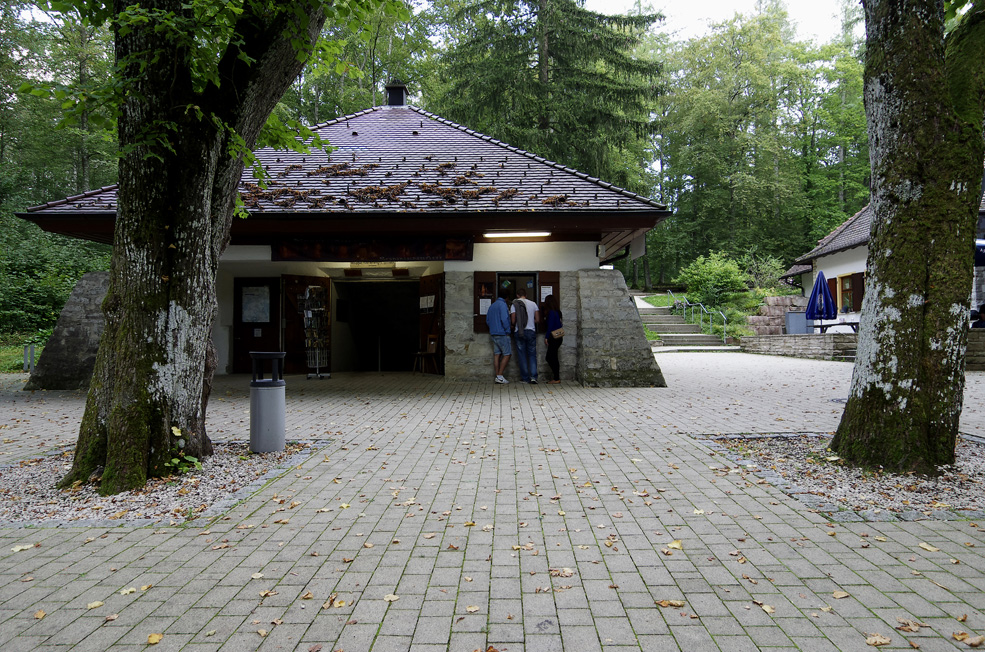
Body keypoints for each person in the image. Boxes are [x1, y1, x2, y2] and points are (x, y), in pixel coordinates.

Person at [510, 287, 540, 384]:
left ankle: (525, 378)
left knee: (522, 355)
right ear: (526, 295)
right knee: (532, 355)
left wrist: (518, 324)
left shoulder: (514, 304)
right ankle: (534, 377)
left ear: (517, 295)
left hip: (520, 331)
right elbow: (538, 319)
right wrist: (530, 322)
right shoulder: (533, 304)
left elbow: (513, 320)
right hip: (531, 331)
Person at [486, 288, 512, 383]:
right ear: (507, 297)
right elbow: (505, 319)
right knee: (507, 354)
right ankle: (500, 376)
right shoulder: (503, 305)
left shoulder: (492, 306)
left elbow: (487, 320)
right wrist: (508, 330)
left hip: (493, 334)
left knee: (497, 355)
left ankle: (497, 375)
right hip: (502, 333)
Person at [543, 294, 563, 384]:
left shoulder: (551, 312)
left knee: (550, 357)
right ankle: (556, 377)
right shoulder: (558, 312)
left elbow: (550, 326)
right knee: (554, 357)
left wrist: (547, 337)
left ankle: (556, 378)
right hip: (559, 337)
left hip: (553, 337)